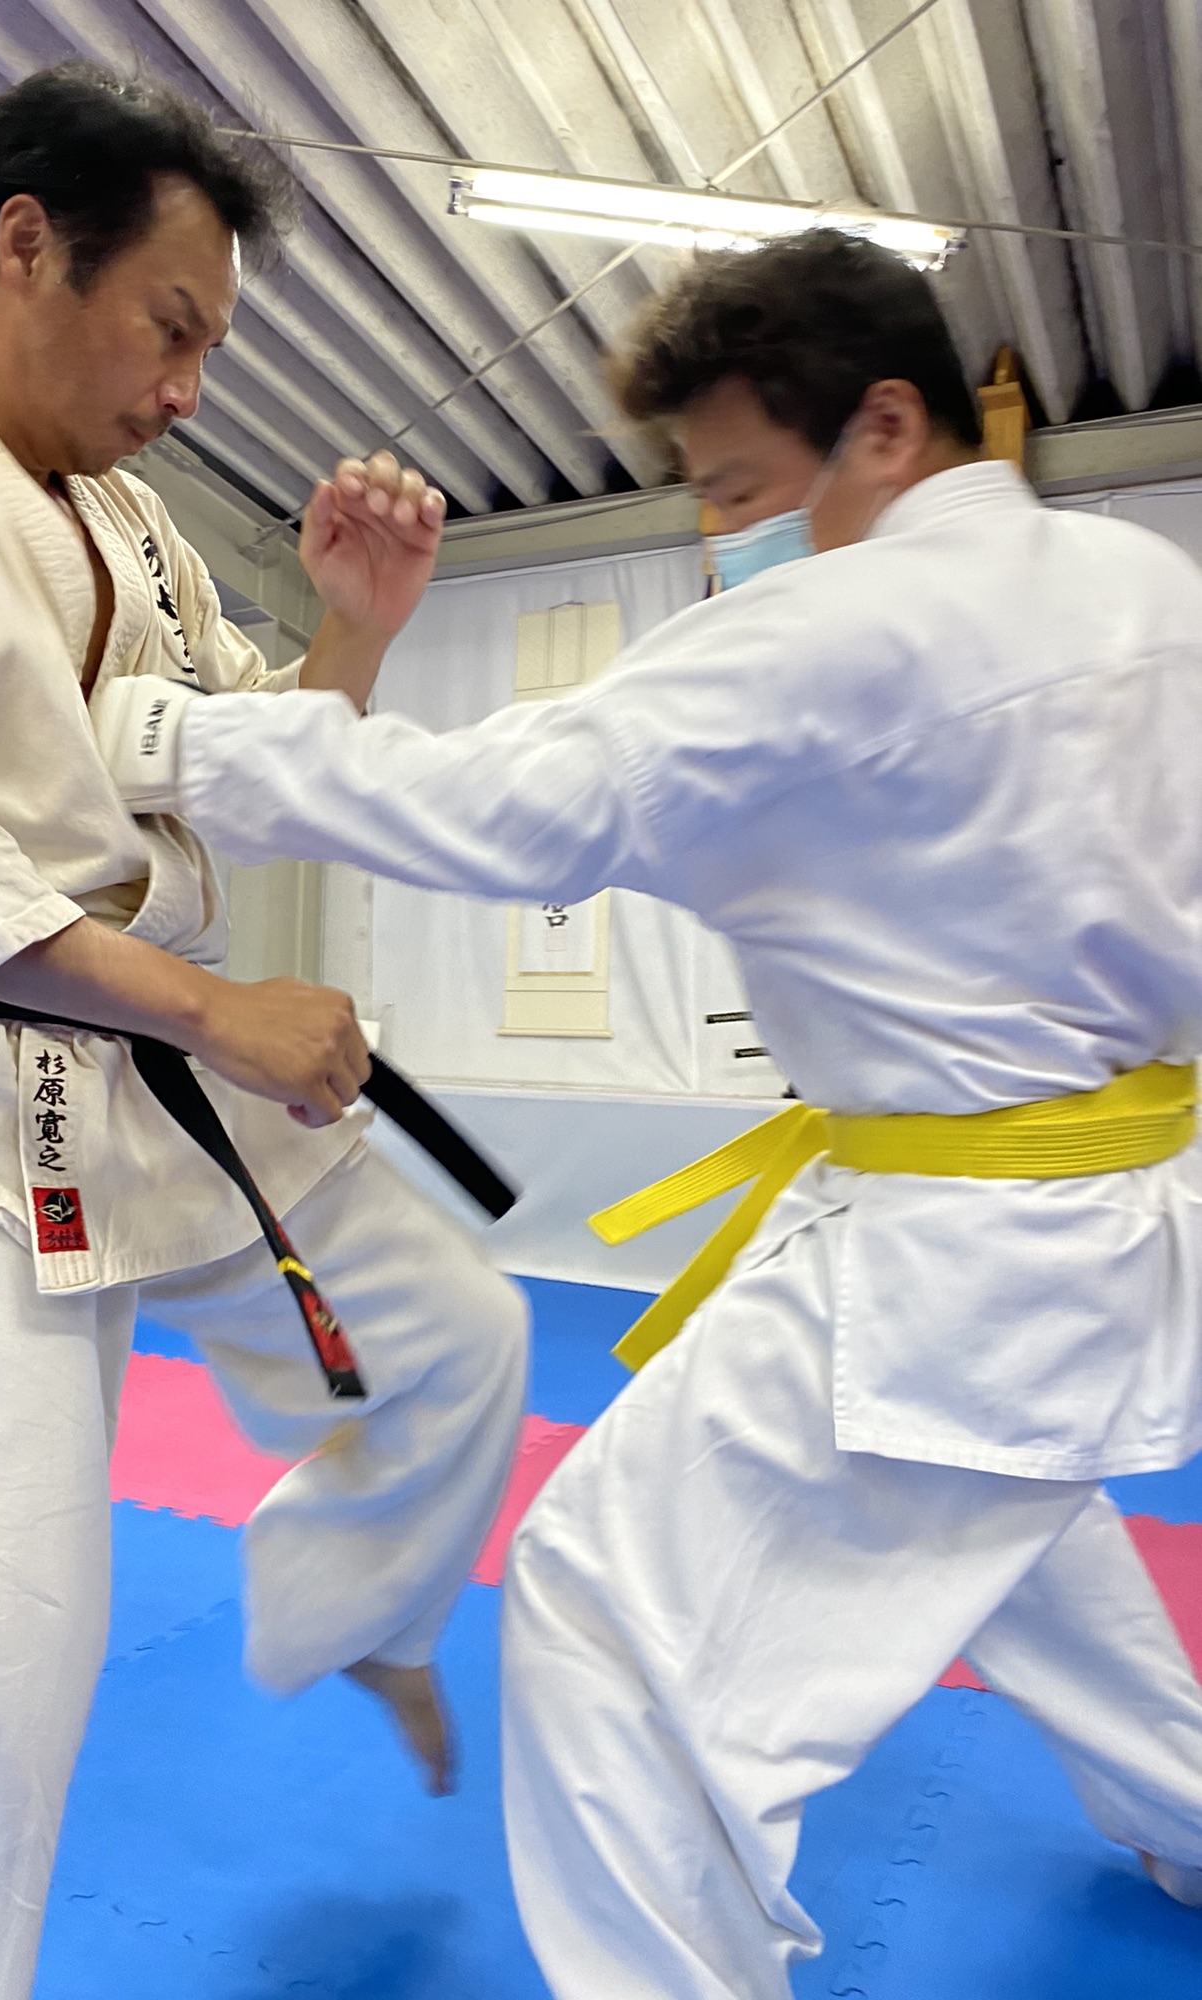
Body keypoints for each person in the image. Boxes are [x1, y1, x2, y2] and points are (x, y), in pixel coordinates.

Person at [91, 229, 1202, 1997]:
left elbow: (510, 805)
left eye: (741, 486)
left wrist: (162, 738)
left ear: (886, 426)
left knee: (606, 1615)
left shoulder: (847, 624)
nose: (726, 532)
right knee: (1015, 1519)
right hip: (1111, 1228)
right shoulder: (1150, 592)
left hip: (953, 1268)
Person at [0, 61, 529, 2000]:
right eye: (174, 326)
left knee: (459, 1340)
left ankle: (357, 1606)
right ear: (27, 243)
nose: (188, 387)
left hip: (149, 1080)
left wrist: (355, 629)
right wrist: (223, 1011)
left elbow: (236, 761)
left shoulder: (136, 527)